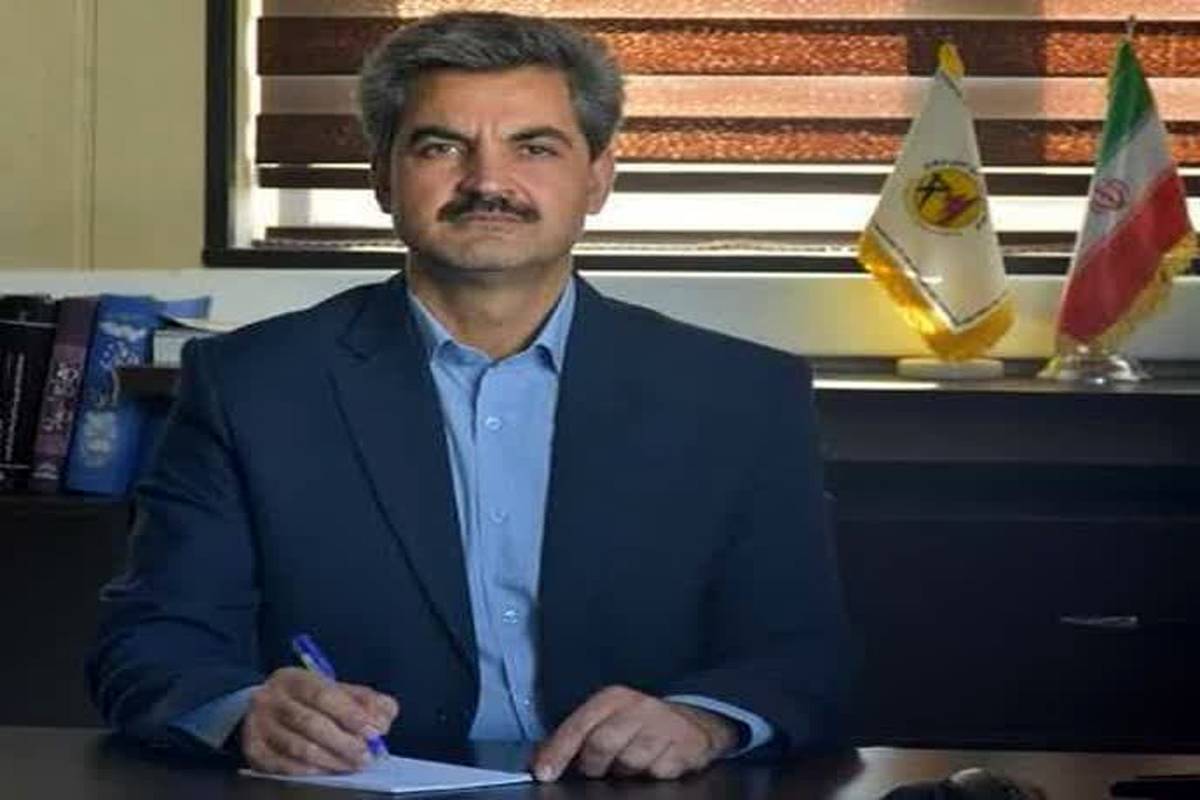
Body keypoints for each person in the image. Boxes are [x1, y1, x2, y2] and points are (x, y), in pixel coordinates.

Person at [86, 11, 849, 783]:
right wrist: (248, 709)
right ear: (382, 177)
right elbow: (153, 642)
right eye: (440, 147)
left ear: (598, 178)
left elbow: (807, 657)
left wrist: (704, 721)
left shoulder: (740, 395)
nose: (487, 182)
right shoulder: (251, 383)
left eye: (534, 147)